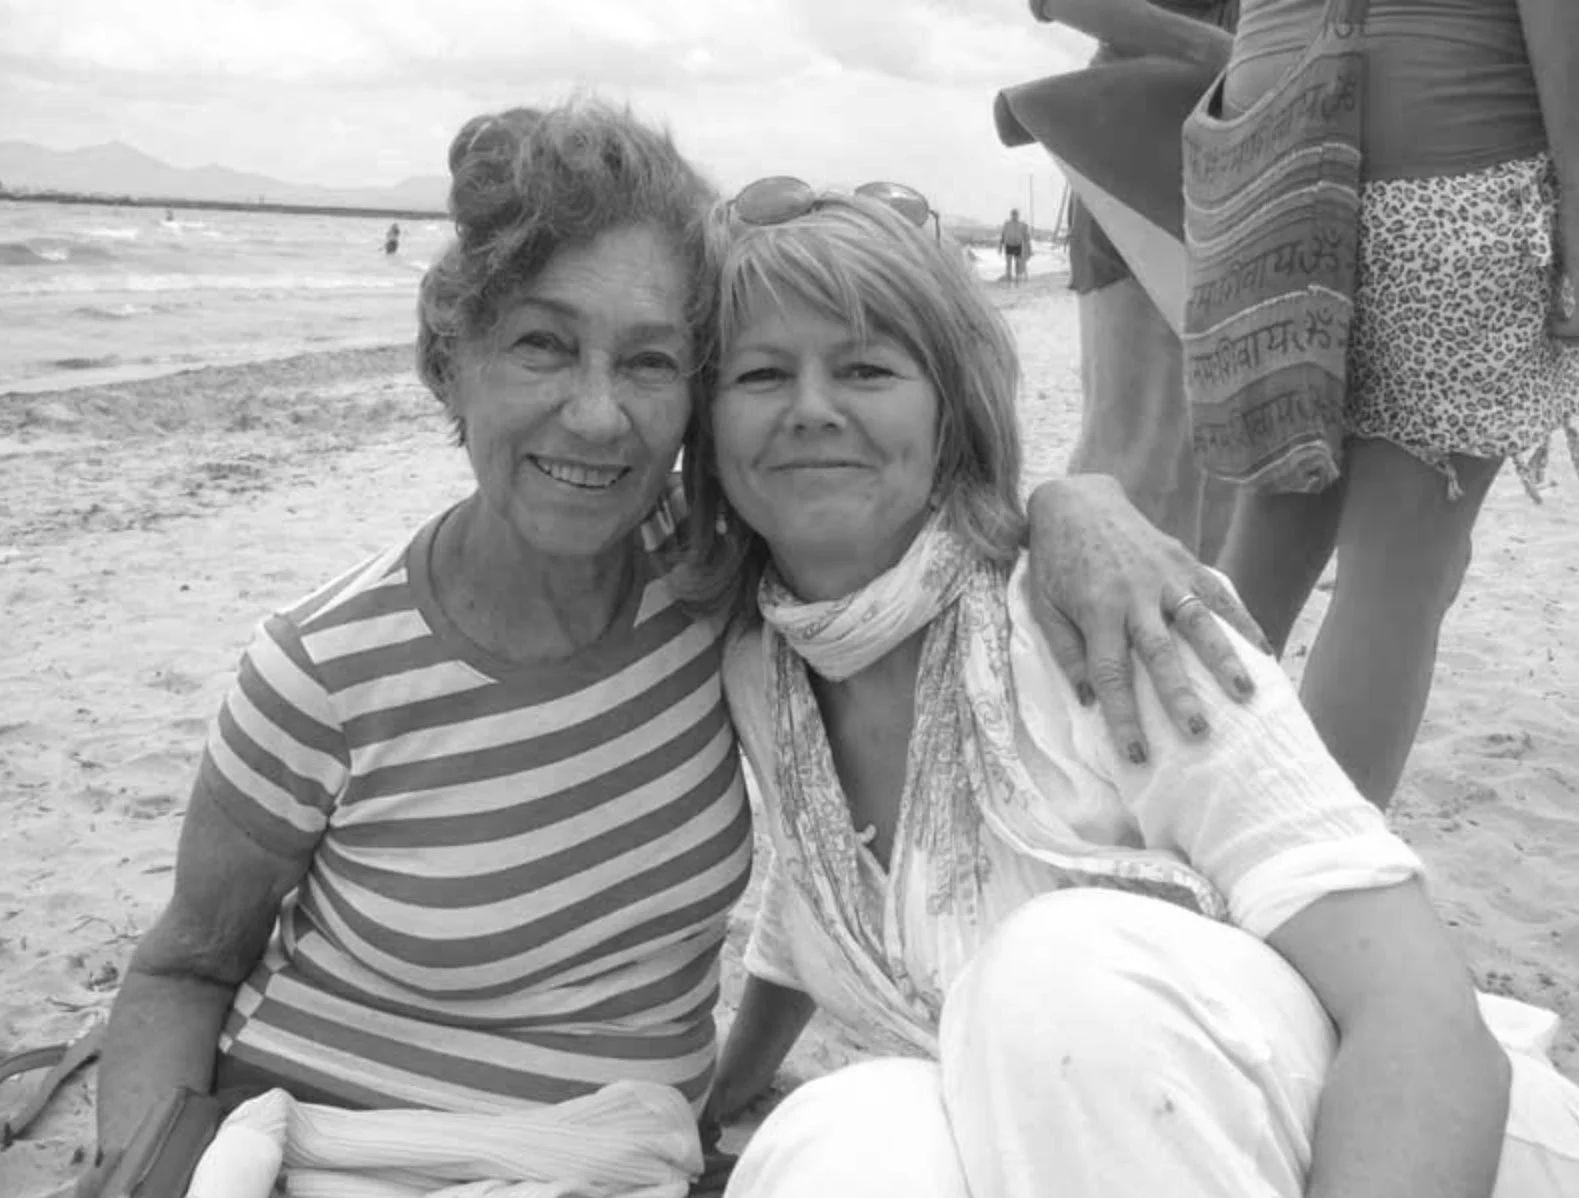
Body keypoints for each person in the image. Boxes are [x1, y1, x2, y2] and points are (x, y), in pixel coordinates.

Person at [73, 100, 1265, 1195]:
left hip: (624, 1165)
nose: (598, 414)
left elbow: (909, 521)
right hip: (329, 1153)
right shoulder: (320, 668)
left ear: (693, 396)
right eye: (542, 345)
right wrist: (151, 1168)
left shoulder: (717, 593)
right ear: (451, 362)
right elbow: (185, 967)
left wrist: (1072, 507)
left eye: (648, 360)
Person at [681, 187, 1579, 1196]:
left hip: (1403, 1147)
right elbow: (820, 887)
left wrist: (1069, 501)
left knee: (1056, 971)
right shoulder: (764, 668)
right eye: (761, 374)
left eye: (865, 368)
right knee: (839, 1136)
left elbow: (1420, 1017)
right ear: (703, 430)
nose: (811, 407)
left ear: (948, 413)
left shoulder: (1107, 620)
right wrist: (715, 1096)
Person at [1213, 0, 1579, 807]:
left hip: (1269, 159)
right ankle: (1314, 871)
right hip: (1451, 167)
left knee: (1265, 543)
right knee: (1396, 576)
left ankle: (1162, 832)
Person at [1064, 0, 1239, 563]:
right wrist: (1221, 51)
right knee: (1143, 447)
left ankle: (1202, 611)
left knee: (1226, 457)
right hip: (1141, 160)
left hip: (1249, 159)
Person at [997, 206, 1029, 283]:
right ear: (1011, 215)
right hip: (1009, 245)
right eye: (1013, 214)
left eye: (1016, 214)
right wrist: (1000, 247)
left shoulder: (1022, 224)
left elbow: (1026, 237)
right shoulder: (1007, 224)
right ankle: (1008, 277)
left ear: (1018, 215)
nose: (1014, 216)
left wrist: (1027, 248)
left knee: (1017, 263)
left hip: (1018, 245)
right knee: (1008, 263)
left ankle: (1017, 278)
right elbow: (1003, 235)